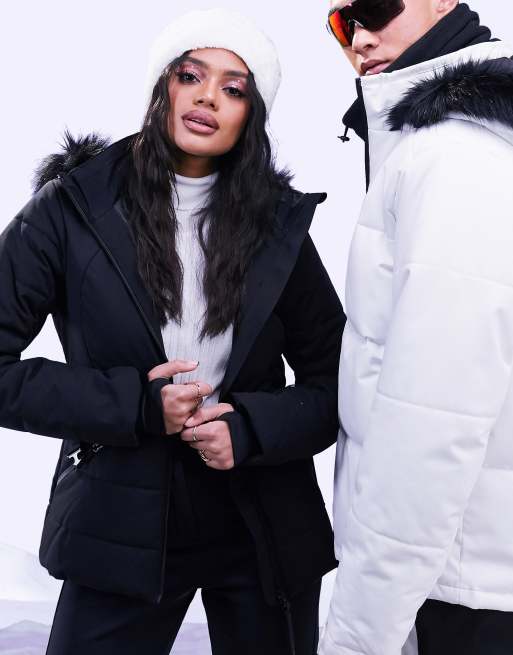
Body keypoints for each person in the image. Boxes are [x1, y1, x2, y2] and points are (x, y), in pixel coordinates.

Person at [0, 8, 345, 655]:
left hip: (263, 521)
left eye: (233, 88)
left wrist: (249, 427)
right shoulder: (71, 208)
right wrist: (135, 404)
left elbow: (339, 380)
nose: (208, 97)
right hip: (118, 517)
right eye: (191, 75)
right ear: (162, 86)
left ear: (251, 115)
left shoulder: (277, 228)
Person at [318, 1, 513, 654]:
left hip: (463, 590)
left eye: (374, 9)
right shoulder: (473, 142)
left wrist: (357, 635)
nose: (359, 37)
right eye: (342, 24)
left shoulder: (454, 158)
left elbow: (432, 422)